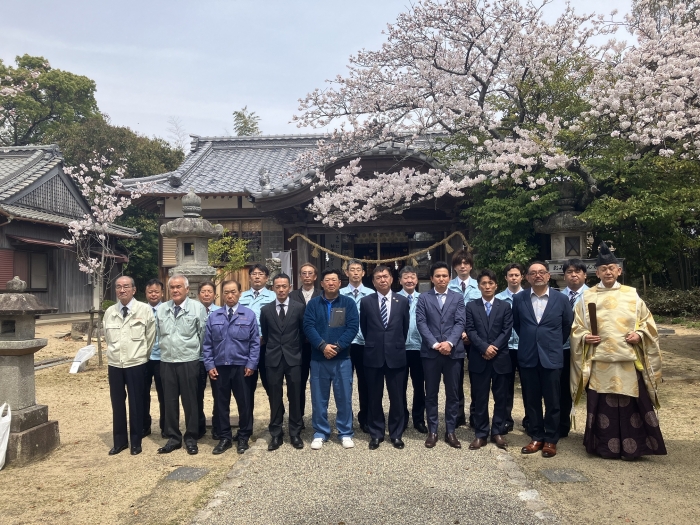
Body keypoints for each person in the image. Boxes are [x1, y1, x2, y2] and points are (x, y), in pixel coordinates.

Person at [570, 243, 666, 460]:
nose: (608, 272)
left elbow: (647, 323)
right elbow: (576, 327)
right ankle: (603, 447)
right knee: (603, 406)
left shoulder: (632, 295)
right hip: (599, 360)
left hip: (627, 359)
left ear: (619, 270)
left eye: (612, 268)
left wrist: (639, 335)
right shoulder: (587, 298)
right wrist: (585, 336)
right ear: (597, 272)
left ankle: (636, 448)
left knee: (633, 404)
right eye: (603, 269)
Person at [512, 262, 573, 458]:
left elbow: (566, 326)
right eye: (533, 273)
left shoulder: (561, 299)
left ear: (548, 276)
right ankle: (536, 436)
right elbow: (517, 324)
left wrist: (551, 343)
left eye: (541, 272)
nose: (537, 275)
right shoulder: (519, 299)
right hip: (528, 356)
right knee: (531, 400)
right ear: (527, 278)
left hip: (552, 356)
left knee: (554, 401)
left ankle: (551, 439)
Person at [303, 268, 360, 450]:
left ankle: (345, 432)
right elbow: (308, 326)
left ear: (339, 283)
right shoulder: (313, 304)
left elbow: (352, 327)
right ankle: (320, 432)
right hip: (319, 358)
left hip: (342, 357)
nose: (331, 283)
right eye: (327, 280)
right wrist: (322, 346)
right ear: (322, 283)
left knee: (344, 396)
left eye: (334, 280)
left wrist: (337, 346)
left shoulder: (348, 303)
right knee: (319, 397)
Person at [203, 280, 260, 455]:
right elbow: (207, 344)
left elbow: (255, 343)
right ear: (222, 294)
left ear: (240, 293)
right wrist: (209, 364)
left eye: (233, 292)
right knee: (221, 404)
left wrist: (251, 363)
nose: (230, 295)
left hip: (242, 367)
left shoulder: (248, 315)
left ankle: (243, 436)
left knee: (244, 403)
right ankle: (225, 437)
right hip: (220, 367)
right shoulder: (214, 316)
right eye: (226, 292)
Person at [155, 274, 208, 455]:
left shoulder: (197, 308)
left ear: (187, 289)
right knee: (169, 401)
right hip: (167, 361)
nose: (175, 290)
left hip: (189, 360)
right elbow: (158, 334)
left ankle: (191, 437)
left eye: (179, 287)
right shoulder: (162, 309)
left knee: (190, 401)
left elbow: (203, 334)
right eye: (172, 287)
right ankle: (174, 437)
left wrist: (198, 358)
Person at [416, 261, 466, 449]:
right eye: (438, 276)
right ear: (431, 278)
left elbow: (460, 322)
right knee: (432, 393)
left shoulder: (457, 297)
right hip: (431, 353)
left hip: (453, 352)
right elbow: (421, 323)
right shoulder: (424, 298)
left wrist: (450, 343)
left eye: (445, 276)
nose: (441, 279)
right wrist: (436, 344)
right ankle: (433, 430)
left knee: (453, 393)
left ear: (449, 278)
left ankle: (451, 431)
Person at [104, 276, 155, 456]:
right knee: (117, 404)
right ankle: (119, 442)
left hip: (137, 363)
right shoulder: (110, 312)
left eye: (126, 287)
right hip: (116, 364)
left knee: (136, 403)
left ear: (134, 290)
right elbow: (107, 337)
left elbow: (150, 337)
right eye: (118, 287)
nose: (122, 290)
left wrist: (141, 355)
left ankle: (136, 441)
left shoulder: (144, 309)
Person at [360, 265, 410, 450]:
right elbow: (364, 328)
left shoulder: (402, 301)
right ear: (373, 281)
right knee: (374, 396)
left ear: (392, 279)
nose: (382, 279)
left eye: (385, 276)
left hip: (396, 355)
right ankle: (376, 433)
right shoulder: (366, 302)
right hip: (373, 355)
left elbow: (404, 328)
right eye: (378, 277)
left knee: (397, 397)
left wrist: (393, 344)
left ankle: (396, 434)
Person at [464, 269, 513, 450]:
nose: (487, 286)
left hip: (500, 358)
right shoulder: (471, 306)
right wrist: (484, 347)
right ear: (479, 286)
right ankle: (481, 433)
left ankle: (497, 431)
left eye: (490, 283)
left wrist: (493, 348)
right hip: (479, 357)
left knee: (501, 398)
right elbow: (470, 330)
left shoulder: (505, 306)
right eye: (484, 283)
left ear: (496, 285)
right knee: (480, 398)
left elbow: (506, 331)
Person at [260, 273, 306, 451]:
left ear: (289, 287)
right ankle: (276, 433)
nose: (281, 289)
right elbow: (266, 331)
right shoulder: (266, 310)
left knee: (294, 395)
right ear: (273, 288)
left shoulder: (299, 307)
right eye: (277, 286)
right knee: (275, 396)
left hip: (293, 356)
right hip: (273, 357)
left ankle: (295, 432)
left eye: (284, 286)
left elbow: (302, 332)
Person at [340, 259, 375, 434]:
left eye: (358, 270)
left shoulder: (371, 294)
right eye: (351, 269)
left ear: (363, 273)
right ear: (346, 273)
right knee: (344, 383)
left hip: (364, 344)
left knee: (365, 382)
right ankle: (345, 419)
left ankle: (366, 418)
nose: (355, 272)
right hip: (344, 345)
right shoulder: (339, 294)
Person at [448, 249, 481, 428]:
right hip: (454, 336)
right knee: (456, 378)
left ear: (470, 265)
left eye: (466, 263)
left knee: (476, 377)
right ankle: (458, 415)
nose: (462, 266)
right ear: (454, 267)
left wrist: (470, 332)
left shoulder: (479, 285)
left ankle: (475, 415)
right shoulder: (448, 286)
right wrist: (458, 332)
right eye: (459, 263)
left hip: (475, 336)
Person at [238, 264, 276, 411]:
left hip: (267, 346)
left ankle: (276, 422)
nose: (257, 276)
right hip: (245, 348)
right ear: (249, 277)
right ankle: (247, 425)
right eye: (254, 274)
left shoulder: (273, 297)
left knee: (271, 384)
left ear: (267, 278)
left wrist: (265, 337)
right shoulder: (241, 297)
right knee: (246, 386)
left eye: (261, 274)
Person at [289, 262, 321, 424]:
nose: (307, 276)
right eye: (304, 273)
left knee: (318, 383)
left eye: (310, 273)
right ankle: (297, 417)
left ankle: (319, 418)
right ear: (300, 276)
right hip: (298, 346)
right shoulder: (292, 296)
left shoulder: (322, 295)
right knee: (298, 383)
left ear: (315, 277)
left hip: (318, 347)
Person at [559, 259, 589, 439]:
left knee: (589, 387)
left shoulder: (593, 295)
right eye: (569, 272)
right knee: (562, 387)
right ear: (564, 276)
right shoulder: (558, 296)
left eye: (578, 271)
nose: (574, 275)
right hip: (563, 348)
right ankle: (562, 425)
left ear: (585, 275)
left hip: (586, 348)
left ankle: (593, 429)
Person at [495, 263, 525, 434]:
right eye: (510, 275)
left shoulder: (528, 297)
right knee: (505, 386)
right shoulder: (498, 299)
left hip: (524, 347)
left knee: (528, 385)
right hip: (504, 348)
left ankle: (529, 420)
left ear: (522, 277)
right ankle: (505, 419)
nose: (513, 278)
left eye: (516, 275)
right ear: (506, 277)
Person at [397, 266, 428, 434]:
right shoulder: (394, 299)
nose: (409, 280)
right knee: (399, 386)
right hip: (400, 348)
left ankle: (419, 418)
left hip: (419, 347)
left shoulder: (424, 298)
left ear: (417, 280)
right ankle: (401, 418)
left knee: (419, 385)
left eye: (412, 277)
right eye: (406, 277)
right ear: (400, 280)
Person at [197, 281, 221, 440]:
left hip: (217, 359)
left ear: (215, 294)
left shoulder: (221, 311)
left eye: (209, 291)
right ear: (199, 294)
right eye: (203, 291)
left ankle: (218, 426)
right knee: (196, 394)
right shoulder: (193, 311)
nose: (206, 294)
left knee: (219, 394)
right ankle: (198, 426)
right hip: (197, 358)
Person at [143, 278, 166, 439]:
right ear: (146, 294)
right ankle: (144, 426)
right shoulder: (140, 310)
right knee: (142, 393)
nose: (153, 294)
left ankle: (166, 426)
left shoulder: (167, 309)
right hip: (143, 358)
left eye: (156, 291)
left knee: (164, 394)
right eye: (150, 292)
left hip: (162, 357)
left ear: (162, 293)